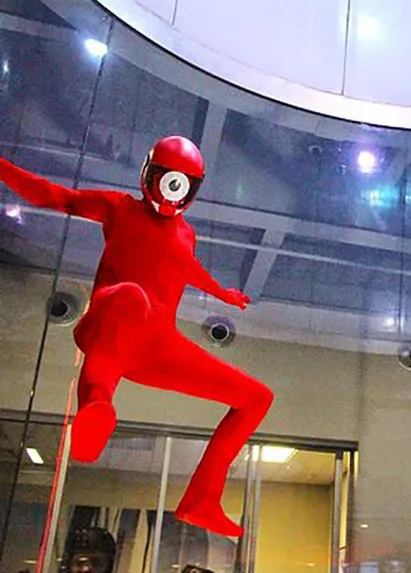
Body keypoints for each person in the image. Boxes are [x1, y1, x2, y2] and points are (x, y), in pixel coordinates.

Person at [0, 136, 273, 537]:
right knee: (131, 297)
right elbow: (52, 195)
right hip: (112, 317)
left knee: (256, 397)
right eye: (166, 178)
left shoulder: (186, 235)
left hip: (156, 344)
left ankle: (201, 500)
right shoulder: (119, 208)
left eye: (182, 183)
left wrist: (223, 293)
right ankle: (97, 404)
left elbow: (187, 268)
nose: (172, 189)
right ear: (149, 174)